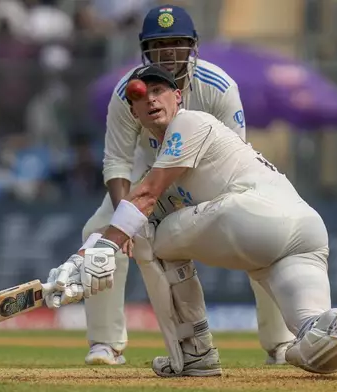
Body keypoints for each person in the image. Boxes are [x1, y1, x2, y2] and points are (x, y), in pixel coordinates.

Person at [45, 65, 337, 380]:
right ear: (132, 112)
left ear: (177, 96)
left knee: (155, 236)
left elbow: (145, 199)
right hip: (305, 228)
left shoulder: (189, 123)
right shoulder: (170, 160)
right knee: (311, 343)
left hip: (257, 215)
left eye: (159, 90)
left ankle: (195, 353)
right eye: (139, 95)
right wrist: (84, 256)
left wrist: (100, 250)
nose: (150, 99)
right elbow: (133, 208)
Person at [79, 4, 295, 366]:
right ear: (145, 49)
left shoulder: (219, 87)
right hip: (151, 180)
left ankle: (280, 342)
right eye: (159, 45)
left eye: (177, 43)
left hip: (210, 182)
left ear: (192, 47)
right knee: (99, 233)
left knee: (261, 241)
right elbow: (117, 160)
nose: (168, 53)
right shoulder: (126, 92)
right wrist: (122, 221)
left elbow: (234, 159)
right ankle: (105, 344)